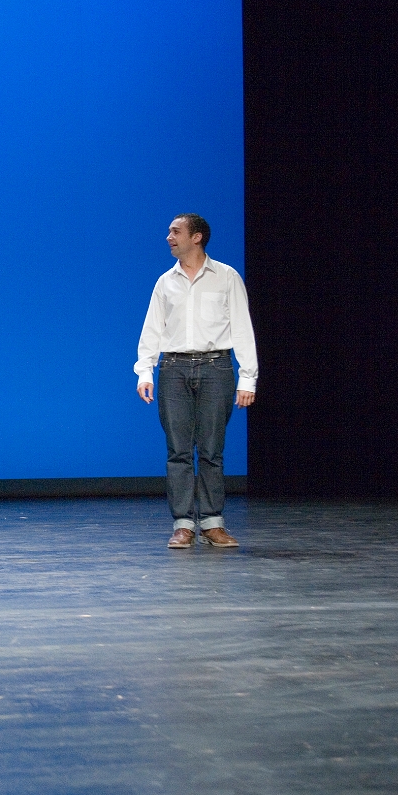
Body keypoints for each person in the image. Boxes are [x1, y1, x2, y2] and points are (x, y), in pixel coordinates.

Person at [135, 214, 257, 548]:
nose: (168, 237)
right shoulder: (165, 282)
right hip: (173, 368)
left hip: (216, 367)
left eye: (175, 231)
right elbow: (152, 329)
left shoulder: (226, 277)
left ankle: (213, 523)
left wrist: (248, 378)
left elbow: (242, 327)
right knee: (178, 450)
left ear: (197, 237)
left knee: (211, 449)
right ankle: (184, 524)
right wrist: (145, 371)